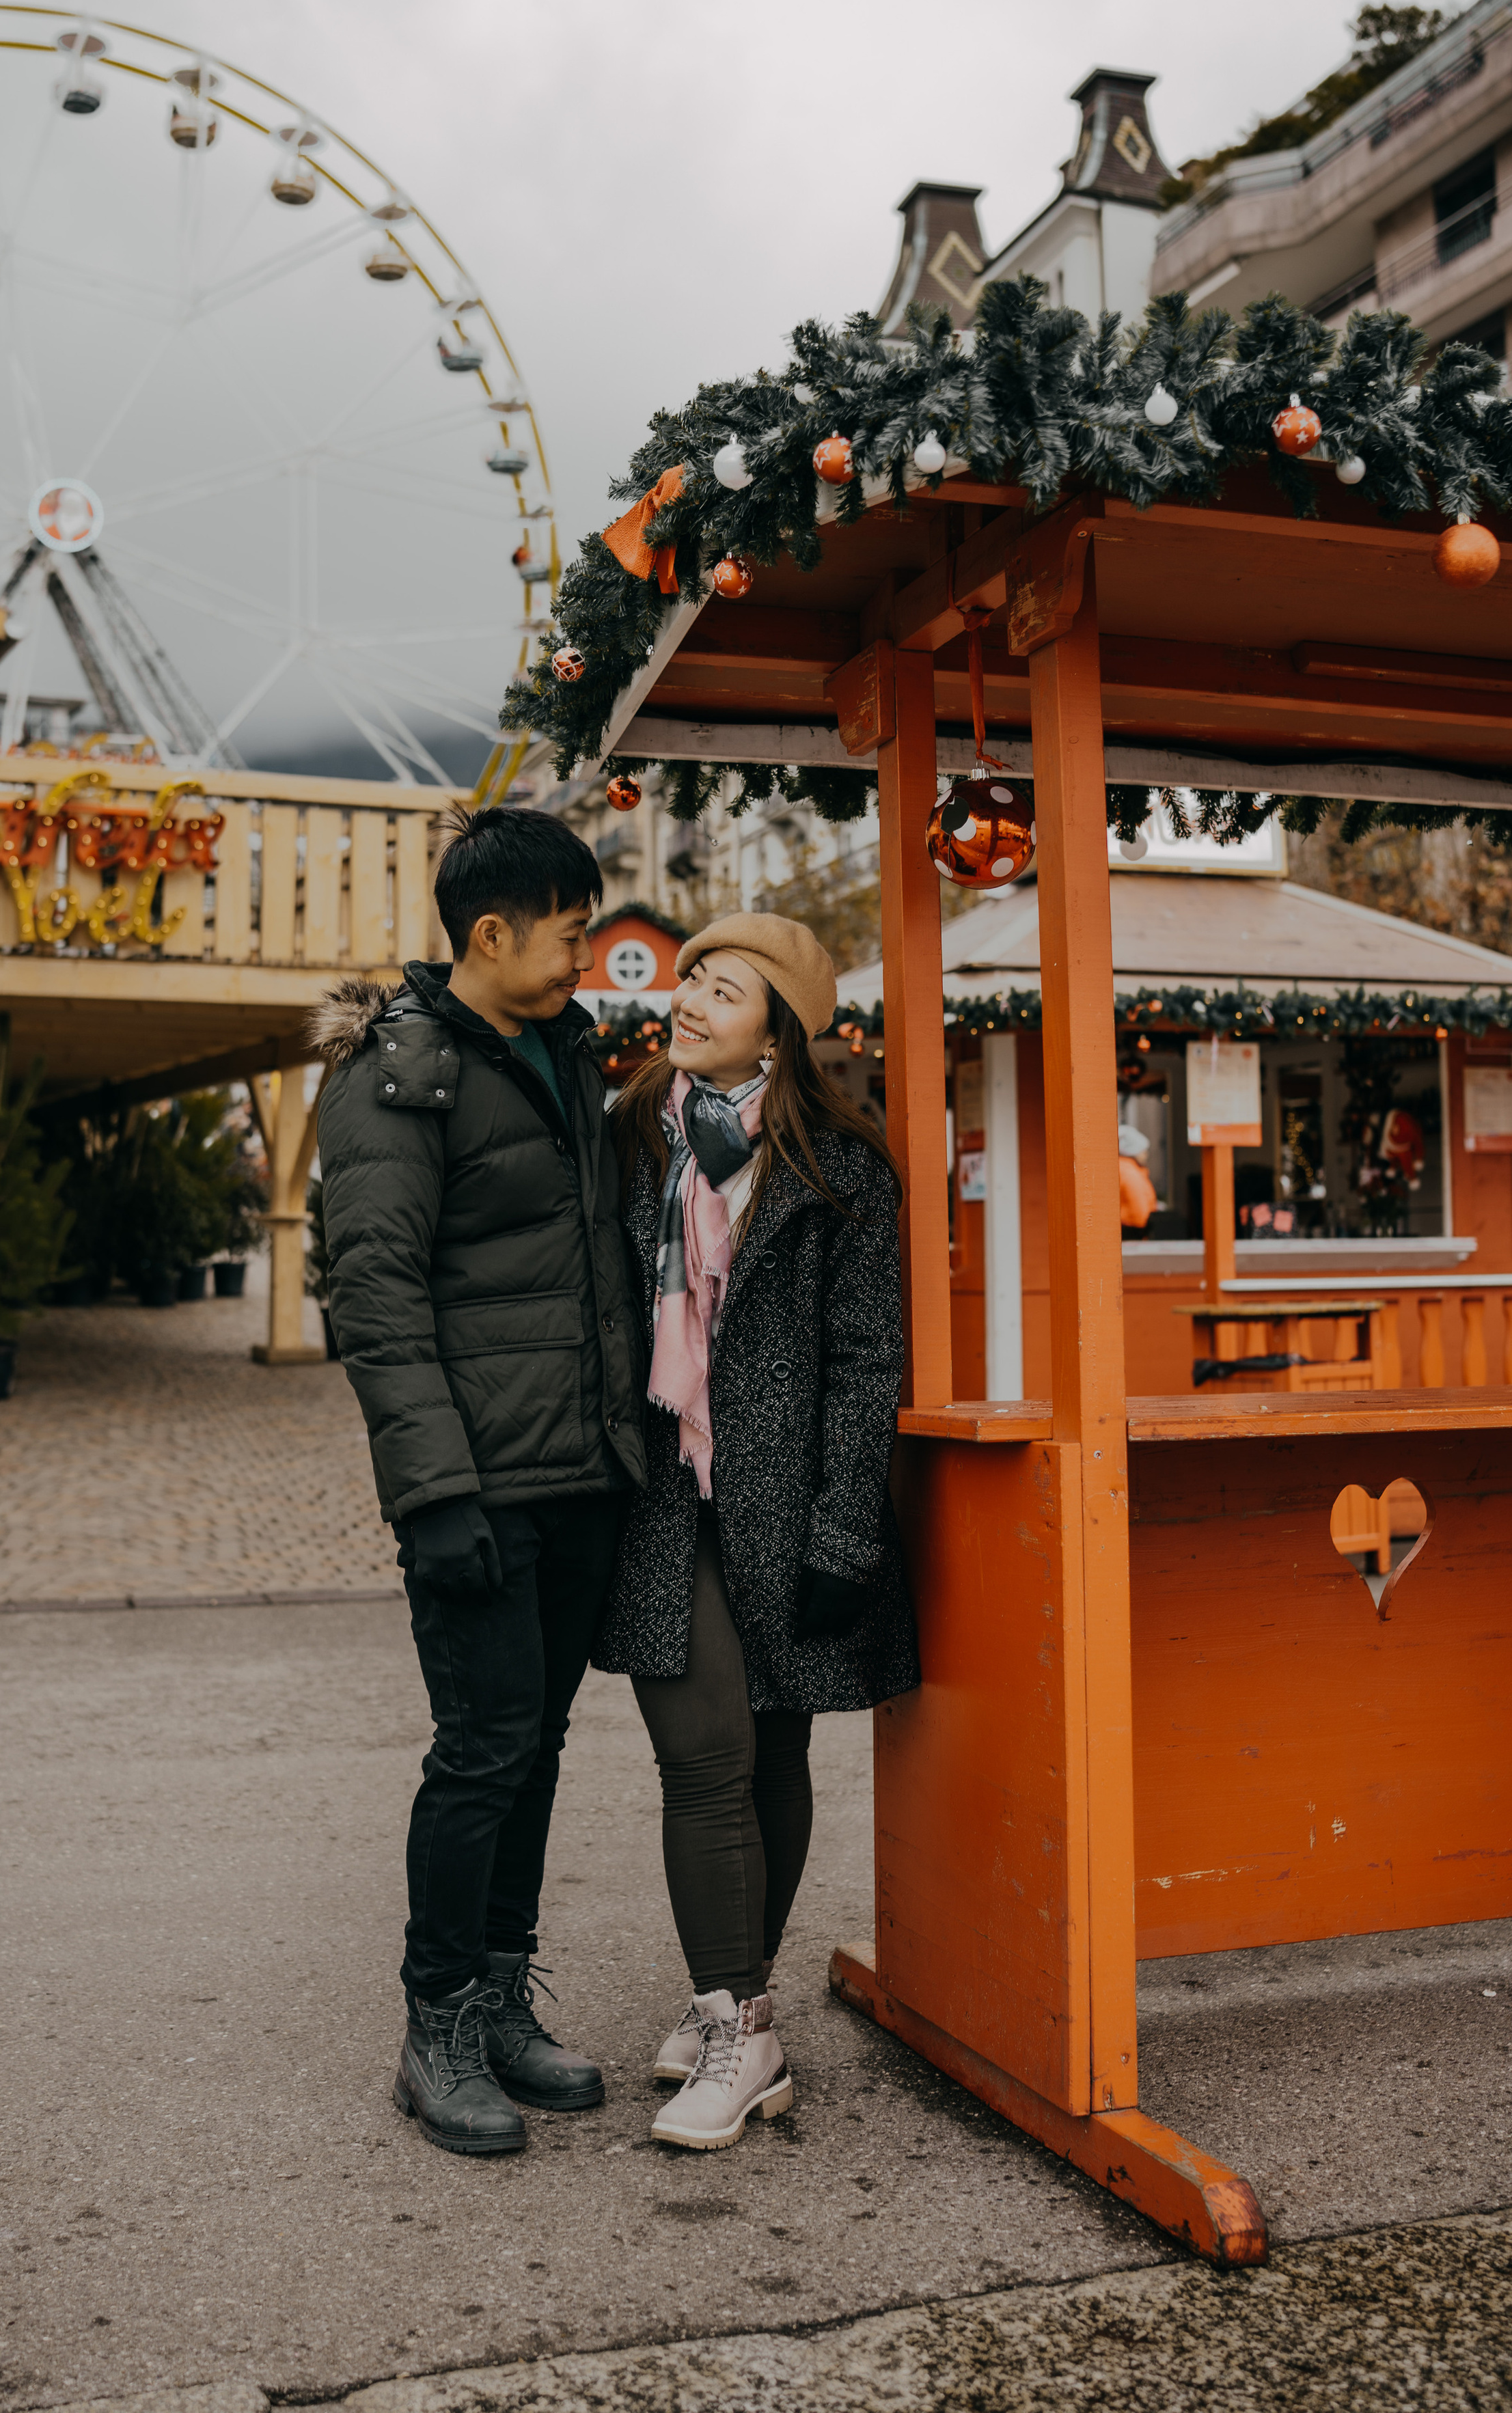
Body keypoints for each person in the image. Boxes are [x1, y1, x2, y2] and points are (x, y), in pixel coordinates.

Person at [312, 805, 647, 2158]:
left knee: (536, 1744)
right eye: (570, 928)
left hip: (579, 1473)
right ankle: (436, 2025)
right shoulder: (397, 1077)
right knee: (483, 1748)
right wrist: (433, 1497)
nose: (587, 947)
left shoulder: (568, 1057)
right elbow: (375, 1297)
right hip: (479, 1485)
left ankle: (502, 2001)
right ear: (493, 932)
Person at [594, 911, 919, 2151]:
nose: (686, 1003)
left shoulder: (843, 1170)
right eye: (687, 981)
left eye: (719, 989)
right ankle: (744, 2027)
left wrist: (847, 1532)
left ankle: (730, 2007)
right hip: (662, 1495)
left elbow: (865, 1352)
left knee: (773, 1760)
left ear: (777, 1028)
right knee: (704, 1755)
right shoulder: (633, 1139)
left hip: (788, 1510)